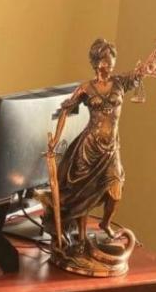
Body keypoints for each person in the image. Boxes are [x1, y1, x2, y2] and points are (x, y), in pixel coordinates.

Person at [46, 38, 142, 250]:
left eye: (112, 59)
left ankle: (105, 223)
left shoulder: (119, 82)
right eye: (105, 59)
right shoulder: (86, 88)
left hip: (111, 149)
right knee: (85, 194)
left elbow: (139, 73)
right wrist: (55, 139)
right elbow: (65, 111)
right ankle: (81, 237)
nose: (109, 64)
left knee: (115, 192)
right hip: (89, 148)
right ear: (96, 62)